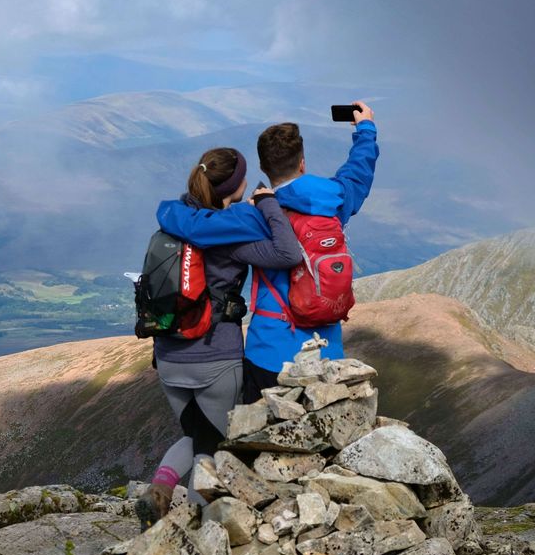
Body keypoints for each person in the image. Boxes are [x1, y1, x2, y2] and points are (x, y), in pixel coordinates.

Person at [156, 101, 379, 404]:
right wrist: (364, 129)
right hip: (327, 350)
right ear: (302, 162)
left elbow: (195, 227)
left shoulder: (254, 215)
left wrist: (166, 209)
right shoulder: (334, 202)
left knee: (260, 440)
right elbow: (358, 174)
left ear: (263, 168)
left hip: (270, 352)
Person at [137, 147, 303, 527]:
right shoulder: (234, 233)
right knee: (210, 449)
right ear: (238, 185)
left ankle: (161, 489)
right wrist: (268, 204)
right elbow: (288, 252)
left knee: (195, 433)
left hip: (167, 355)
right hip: (214, 356)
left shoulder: (175, 218)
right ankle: (199, 529)